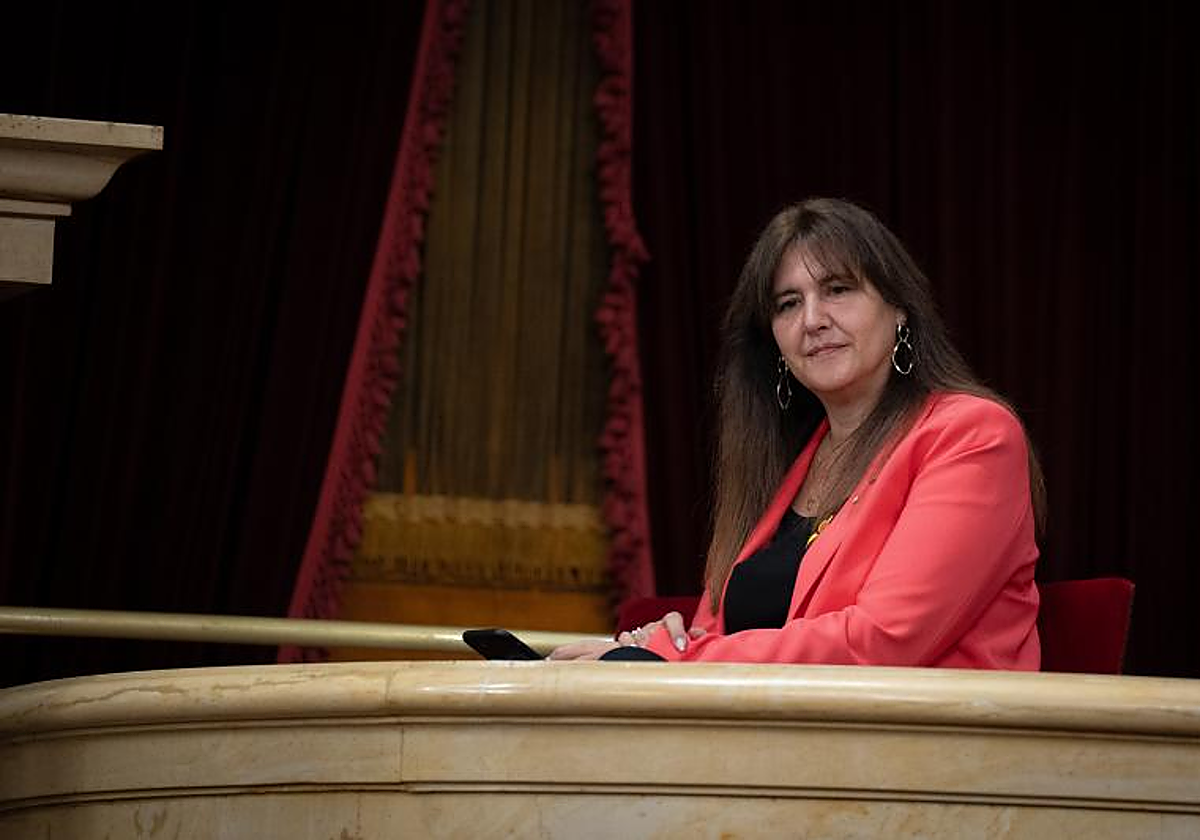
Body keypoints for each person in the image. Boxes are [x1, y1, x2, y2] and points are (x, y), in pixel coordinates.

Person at [550, 197, 1045, 668]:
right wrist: (666, 641)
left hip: (919, 726)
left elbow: (882, 639)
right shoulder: (787, 461)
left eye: (838, 290)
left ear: (899, 308)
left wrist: (673, 657)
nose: (812, 320)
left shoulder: (972, 434)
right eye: (788, 303)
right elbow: (719, 635)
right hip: (771, 724)